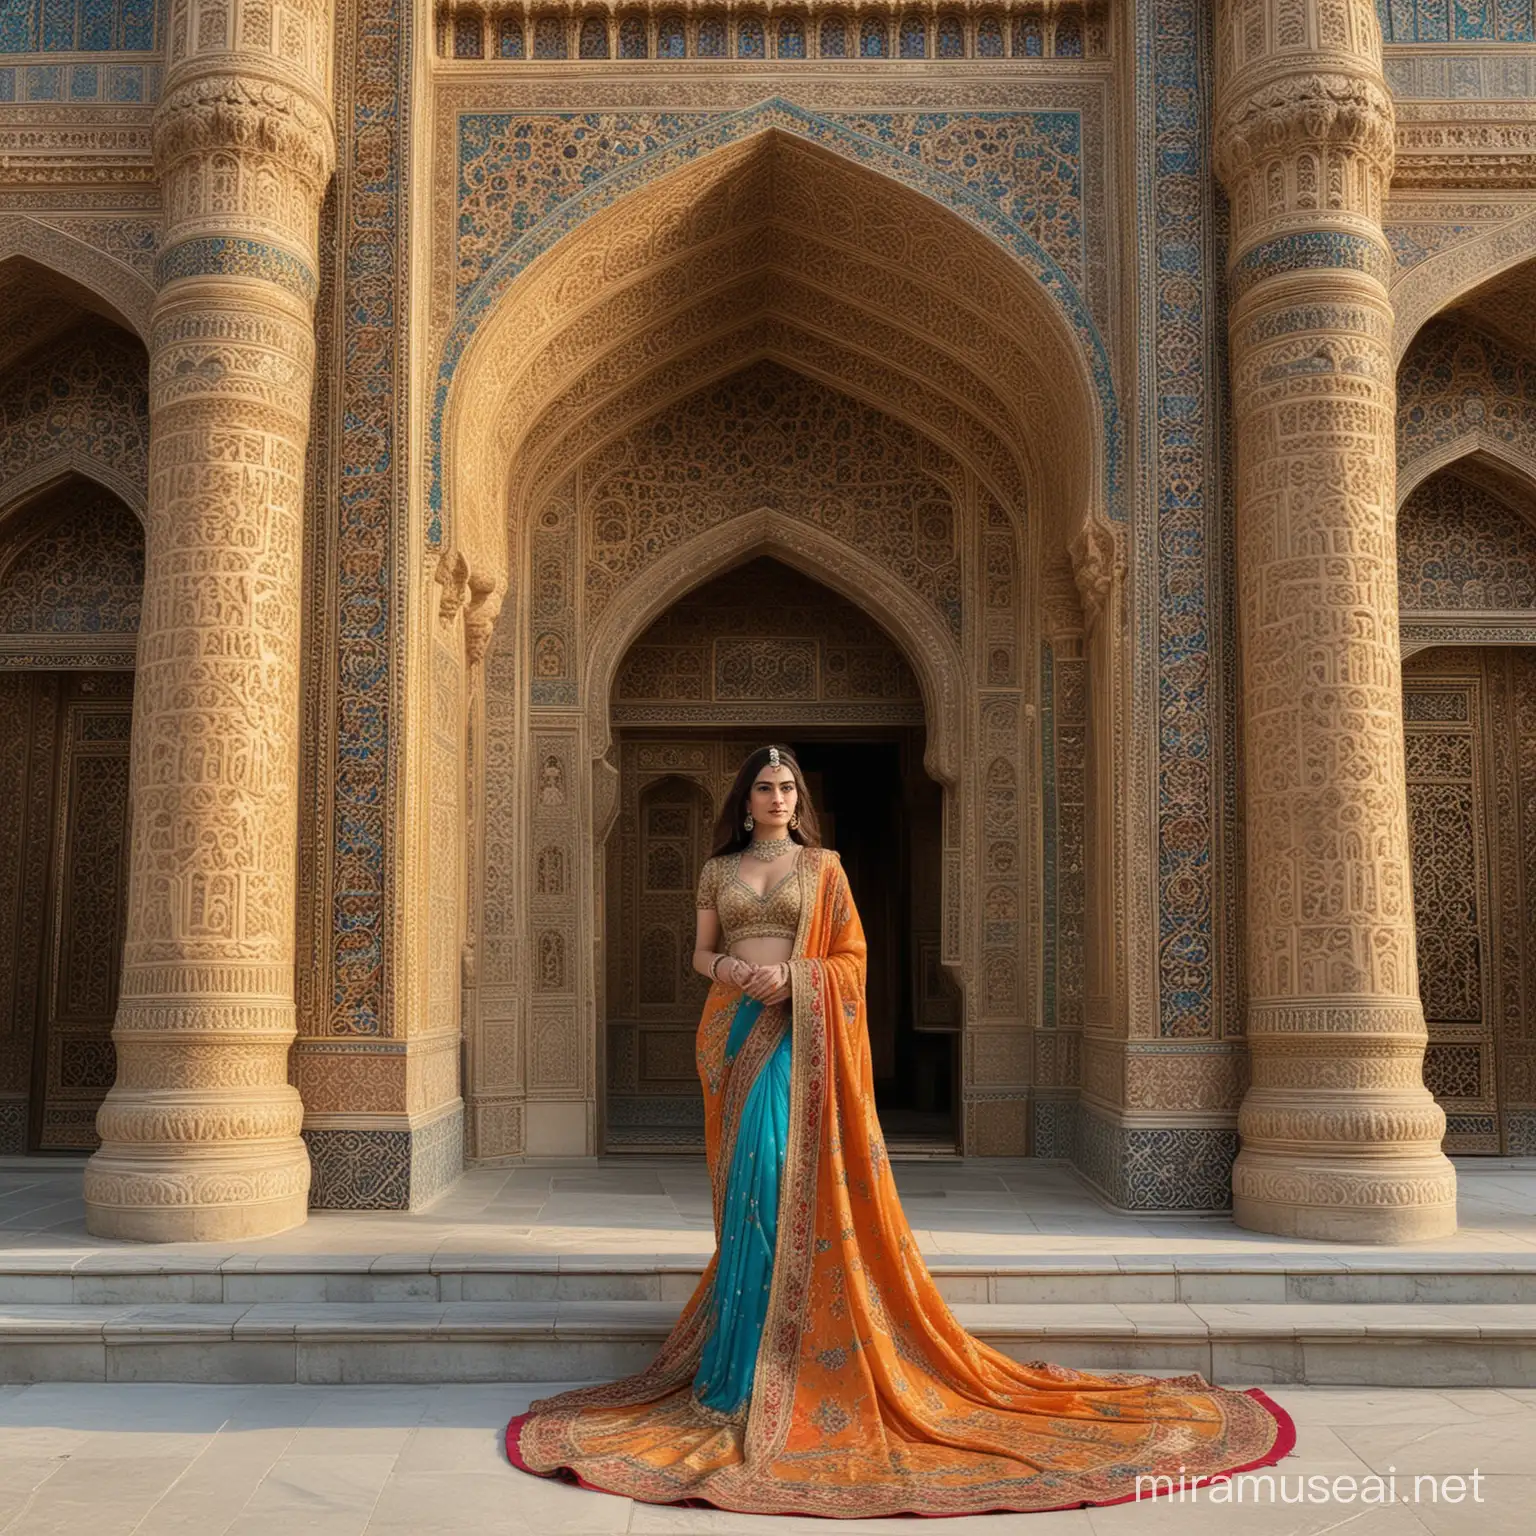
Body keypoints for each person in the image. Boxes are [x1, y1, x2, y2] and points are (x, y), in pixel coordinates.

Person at [507, 744, 1292, 1516]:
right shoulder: (719, 871)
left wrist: (797, 978)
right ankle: (740, 1368)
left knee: (784, 1170)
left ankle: (794, 1354)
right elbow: (700, 952)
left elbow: (850, 956)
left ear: (798, 801)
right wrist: (734, 974)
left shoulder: (826, 869)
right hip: (736, 1032)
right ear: (744, 800)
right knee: (747, 1186)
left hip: (798, 1034)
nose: (778, 799)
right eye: (765, 788)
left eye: (788, 788)